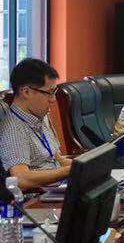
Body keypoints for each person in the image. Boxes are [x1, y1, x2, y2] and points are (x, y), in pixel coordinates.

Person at [0, 58, 71, 190]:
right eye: (49, 93)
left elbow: (57, 160)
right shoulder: (13, 128)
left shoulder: (40, 116)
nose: (53, 100)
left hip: (58, 186)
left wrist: (86, 165)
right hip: (39, 195)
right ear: (26, 92)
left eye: (54, 92)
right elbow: (21, 179)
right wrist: (69, 171)